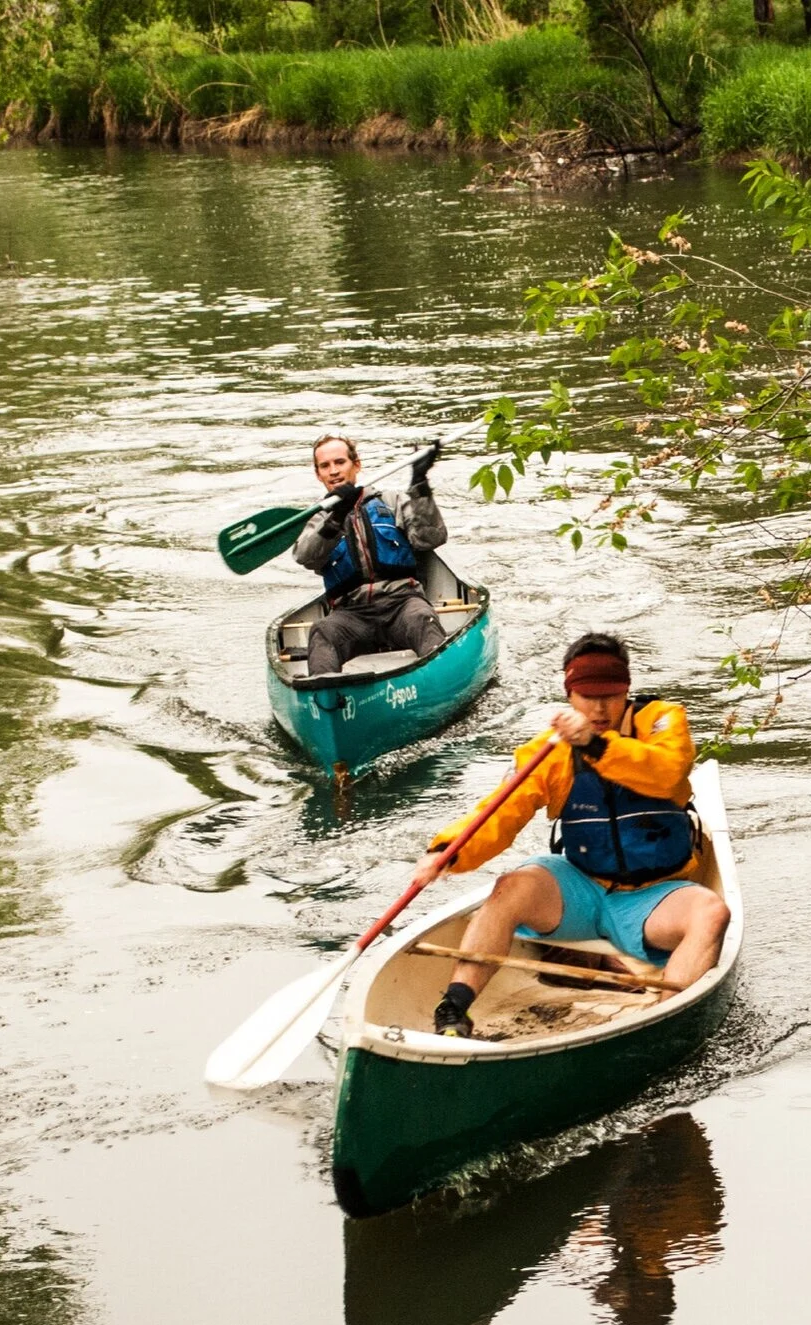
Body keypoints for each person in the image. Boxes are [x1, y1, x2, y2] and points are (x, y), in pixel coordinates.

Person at [412, 633, 732, 1038]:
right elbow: (500, 811)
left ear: (627, 690)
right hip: (580, 888)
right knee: (510, 887)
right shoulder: (549, 751)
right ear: (570, 696)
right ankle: (453, 1009)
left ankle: (662, 1021)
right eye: (587, 696)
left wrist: (597, 745)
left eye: (611, 695)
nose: (599, 707)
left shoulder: (662, 722)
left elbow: (668, 770)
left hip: (654, 897)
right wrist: (447, 853)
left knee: (712, 912)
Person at [293, 433, 450, 677]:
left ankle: (441, 681)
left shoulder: (392, 501)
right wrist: (335, 518)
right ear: (318, 474)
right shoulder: (318, 519)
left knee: (422, 617)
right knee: (322, 631)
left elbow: (432, 538)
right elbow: (306, 557)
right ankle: (325, 699)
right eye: (325, 466)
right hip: (350, 614)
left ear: (356, 465)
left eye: (340, 462)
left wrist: (420, 484)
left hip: (402, 604)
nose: (333, 470)